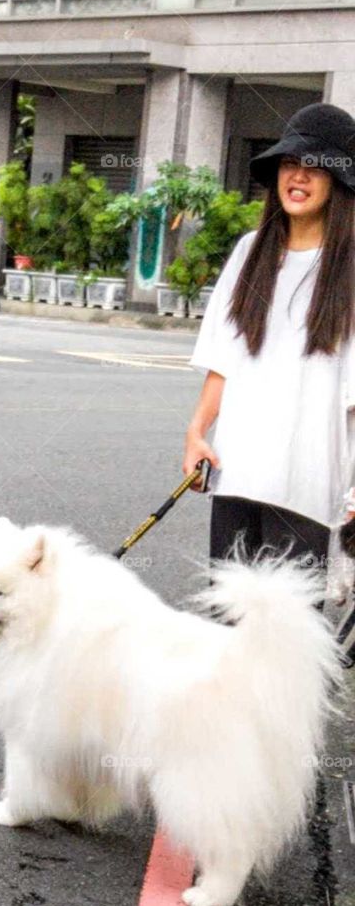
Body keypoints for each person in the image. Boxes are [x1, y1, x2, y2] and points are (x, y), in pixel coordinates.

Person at [183, 102, 355, 574]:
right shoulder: (249, 252)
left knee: (290, 617)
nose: (297, 177)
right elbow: (224, 358)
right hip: (237, 472)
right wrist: (197, 433)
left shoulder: (349, 268)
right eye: (289, 163)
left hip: (307, 484)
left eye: (314, 166)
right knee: (229, 612)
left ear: (340, 180)